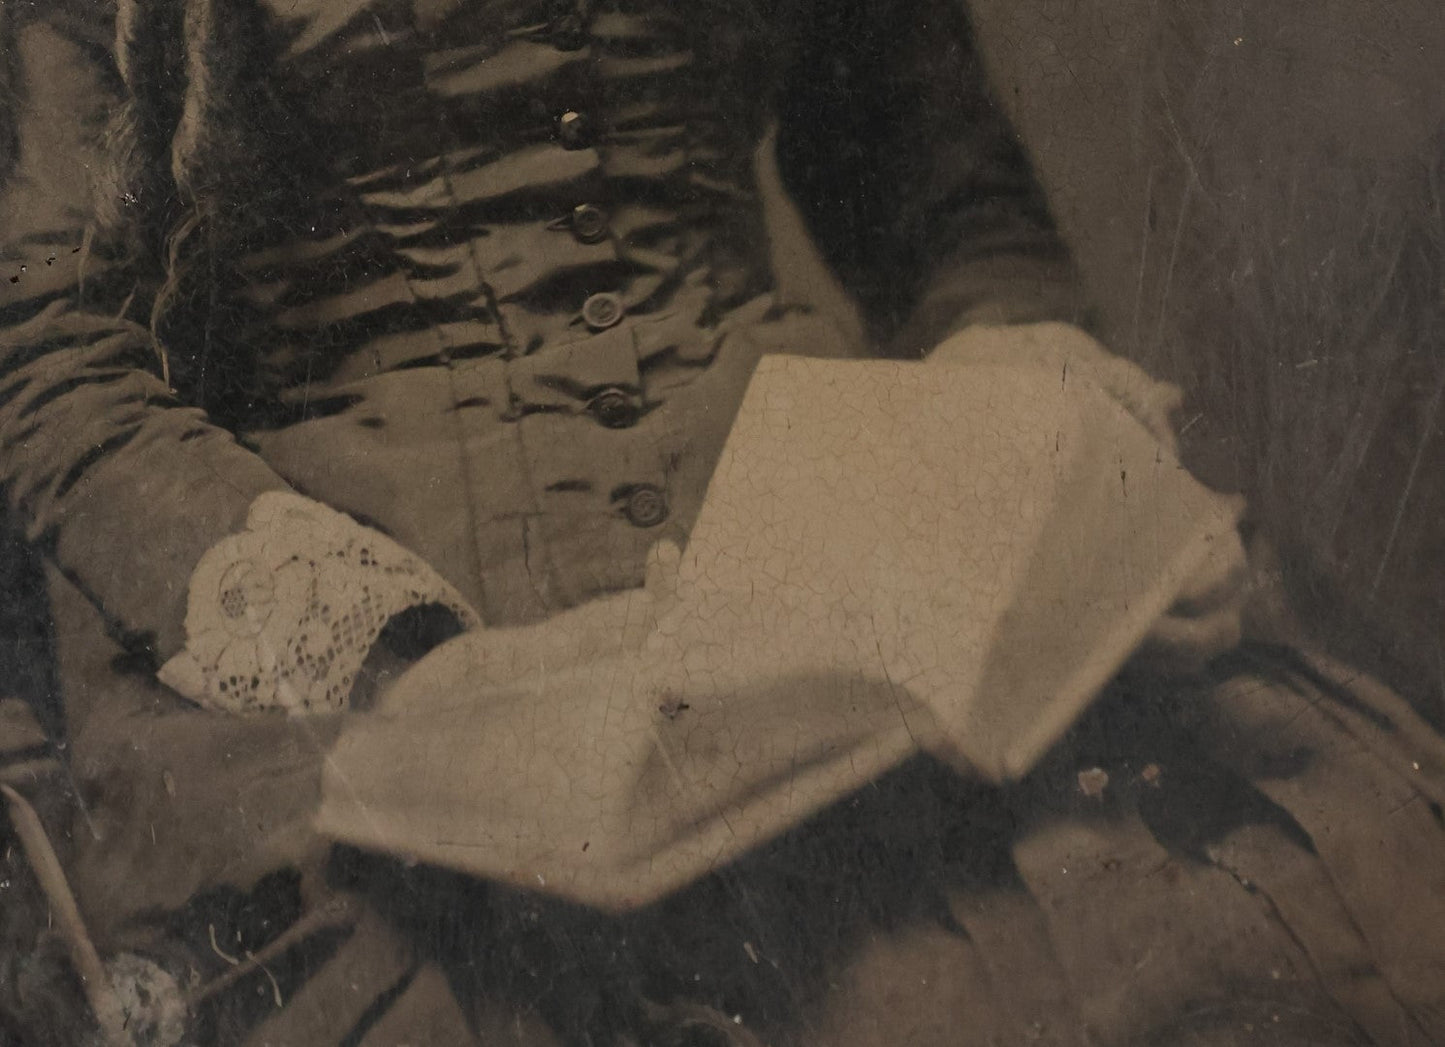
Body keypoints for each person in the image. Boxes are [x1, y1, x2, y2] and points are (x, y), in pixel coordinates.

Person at [2, 1, 1443, 1044]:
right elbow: (45, 343)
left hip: (794, 531)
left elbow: (952, 215)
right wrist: (395, 655)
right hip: (359, 612)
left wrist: (1060, 484)